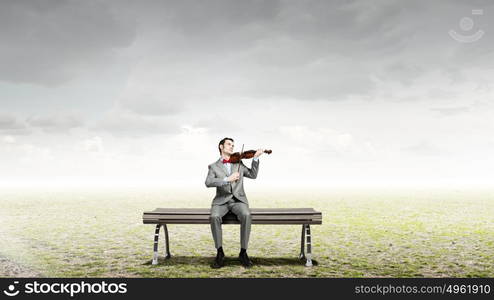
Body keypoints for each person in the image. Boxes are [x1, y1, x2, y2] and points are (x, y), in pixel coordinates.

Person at [205, 137, 264, 268]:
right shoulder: (213, 166)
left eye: (233, 145)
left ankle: (243, 252)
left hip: (238, 200)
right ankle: (220, 252)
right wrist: (227, 179)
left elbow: (253, 175)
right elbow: (208, 182)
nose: (232, 147)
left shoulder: (239, 163)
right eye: (229, 144)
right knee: (214, 216)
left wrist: (255, 158)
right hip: (221, 201)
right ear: (221, 147)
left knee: (247, 215)